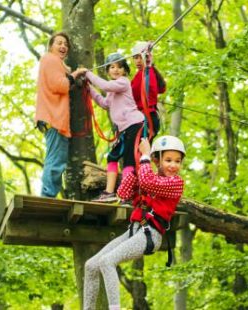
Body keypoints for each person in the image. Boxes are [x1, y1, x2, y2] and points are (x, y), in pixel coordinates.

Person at [83, 135, 185, 310]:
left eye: (177, 161)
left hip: (150, 234)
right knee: (91, 265)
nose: (173, 165)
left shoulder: (175, 183)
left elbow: (149, 182)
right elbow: (122, 193)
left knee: (107, 262)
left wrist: (144, 158)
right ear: (157, 160)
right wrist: (134, 169)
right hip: (134, 231)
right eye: (168, 160)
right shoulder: (147, 175)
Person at [73, 53, 145, 202]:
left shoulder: (123, 82)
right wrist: (89, 87)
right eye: (112, 67)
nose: (116, 70)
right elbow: (105, 103)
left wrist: (88, 73)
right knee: (112, 157)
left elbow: (105, 85)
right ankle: (109, 192)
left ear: (125, 70)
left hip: (134, 125)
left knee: (129, 160)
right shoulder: (113, 91)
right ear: (107, 71)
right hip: (124, 130)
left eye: (119, 67)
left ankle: (126, 195)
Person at [34, 32, 82, 197]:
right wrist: (75, 75)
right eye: (59, 43)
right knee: (55, 160)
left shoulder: (53, 62)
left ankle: (48, 194)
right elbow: (60, 85)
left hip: (51, 117)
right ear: (51, 46)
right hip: (52, 118)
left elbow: (61, 79)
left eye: (65, 44)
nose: (63, 46)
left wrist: (71, 74)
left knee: (56, 157)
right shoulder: (50, 59)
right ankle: (47, 196)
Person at [131, 41, 167, 140]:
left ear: (147, 58)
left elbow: (133, 94)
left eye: (140, 57)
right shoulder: (145, 73)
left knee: (140, 152)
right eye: (135, 57)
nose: (138, 61)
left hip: (146, 118)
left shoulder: (146, 73)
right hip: (148, 118)